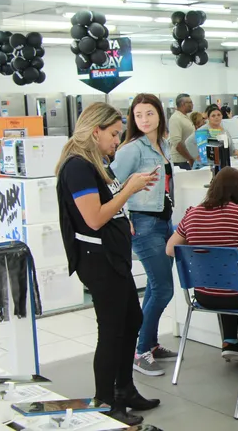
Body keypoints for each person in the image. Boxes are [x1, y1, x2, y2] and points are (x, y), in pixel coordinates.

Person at [54, 102, 161, 426]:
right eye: (114, 134)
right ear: (95, 130)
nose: (118, 140)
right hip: (96, 259)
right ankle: (106, 401)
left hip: (112, 255)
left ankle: (125, 389)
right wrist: (129, 190)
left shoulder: (98, 163)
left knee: (132, 318)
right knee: (112, 329)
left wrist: (123, 215)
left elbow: (108, 205)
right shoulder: (77, 167)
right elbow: (94, 218)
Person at [166, 167, 238, 361]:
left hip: (204, 295)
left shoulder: (192, 214)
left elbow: (170, 250)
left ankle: (229, 340)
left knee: (224, 274)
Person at [110, 94, 178, 378]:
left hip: (164, 221)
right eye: (138, 115)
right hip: (143, 223)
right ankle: (140, 352)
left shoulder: (162, 145)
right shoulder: (132, 149)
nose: (144, 119)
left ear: (159, 115)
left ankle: (149, 341)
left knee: (155, 284)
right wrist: (122, 216)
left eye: (149, 113)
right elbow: (111, 184)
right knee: (164, 288)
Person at [168, 93, 197, 170]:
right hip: (180, 161)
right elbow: (177, 143)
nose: (192, 104)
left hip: (187, 159)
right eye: (190, 102)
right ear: (183, 104)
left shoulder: (184, 117)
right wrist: (190, 158)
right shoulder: (176, 118)